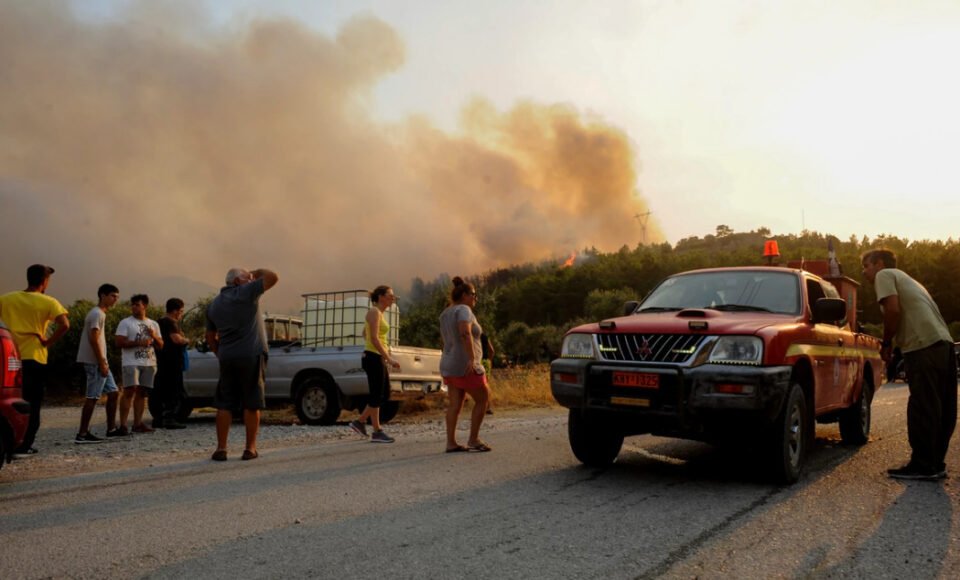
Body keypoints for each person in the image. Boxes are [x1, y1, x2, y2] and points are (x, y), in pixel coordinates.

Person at [862, 249, 957, 480]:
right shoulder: (911, 281)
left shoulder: (885, 276)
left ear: (879, 264)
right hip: (943, 344)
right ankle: (935, 463)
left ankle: (923, 465)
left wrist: (886, 343)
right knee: (942, 407)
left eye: (866, 266)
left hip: (922, 346)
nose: (865, 272)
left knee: (923, 406)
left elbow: (893, 311)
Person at [205, 268, 278, 461]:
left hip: (227, 357)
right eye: (247, 278)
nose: (252, 279)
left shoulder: (214, 304)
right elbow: (272, 277)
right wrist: (254, 272)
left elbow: (210, 336)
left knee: (224, 403)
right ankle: (250, 448)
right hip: (251, 354)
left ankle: (221, 448)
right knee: (252, 402)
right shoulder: (246, 292)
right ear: (237, 281)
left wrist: (219, 352)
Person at [0, 264, 70, 455]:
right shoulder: (49, 302)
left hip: (8, 357)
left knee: (9, 398)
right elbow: (65, 325)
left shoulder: (6, 299)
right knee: (33, 402)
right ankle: (24, 444)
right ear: (45, 281)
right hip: (34, 357)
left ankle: (8, 440)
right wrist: (47, 342)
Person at [439, 277, 491, 453]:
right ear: (464, 295)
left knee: (455, 404)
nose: (476, 298)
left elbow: (445, 339)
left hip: (448, 363)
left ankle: (451, 443)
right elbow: (465, 333)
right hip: (465, 364)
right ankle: (473, 439)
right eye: (474, 294)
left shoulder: (445, 313)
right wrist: (471, 358)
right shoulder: (464, 310)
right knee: (483, 398)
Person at [348, 285, 400, 443]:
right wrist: (388, 357)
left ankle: (366, 424)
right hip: (373, 357)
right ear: (381, 296)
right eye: (390, 295)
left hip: (375, 356)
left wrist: (381, 351)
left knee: (381, 394)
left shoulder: (379, 314)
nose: (393, 298)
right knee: (379, 394)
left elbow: (365, 333)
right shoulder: (374, 312)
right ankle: (370, 427)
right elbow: (374, 338)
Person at [76, 284, 122, 444]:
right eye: (112, 296)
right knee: (92, 396)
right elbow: (93, 338)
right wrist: (101, 362)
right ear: (102, 295)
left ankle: (111, 430)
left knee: (114, 393)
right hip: (95, 362)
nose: (115, 299)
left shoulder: (100, 313)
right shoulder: (96, 314)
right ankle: (82, 434)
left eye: (117, 296)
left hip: (101, 361)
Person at [114, 294, 163, 435]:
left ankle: (137, 424)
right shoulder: (126, 323)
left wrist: (153, 336)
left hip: (149, 362)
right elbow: (119, 342)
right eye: (133, 304)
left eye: (137, 304)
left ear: (145, 306)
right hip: (131, 362)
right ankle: (123, 425)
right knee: (129, 391)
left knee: (142, 393)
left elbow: (161, 345)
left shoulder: (153, 324)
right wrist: (138, 343)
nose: (134, 307)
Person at [155, 298, 189, 429]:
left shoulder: (159, 322)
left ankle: (159, 419)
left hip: (161, 360)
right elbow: (177, 340)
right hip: (172, 362)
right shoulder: (171, 323)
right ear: (175, 311)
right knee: (174, 390)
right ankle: (170, 419)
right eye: (181, 311)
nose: (181, 314)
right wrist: (186, 340)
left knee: (161, 390)